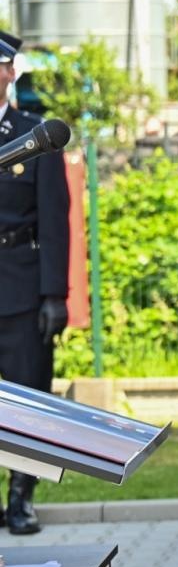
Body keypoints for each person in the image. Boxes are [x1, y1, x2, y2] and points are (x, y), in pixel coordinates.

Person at [0, 31, 68, 536]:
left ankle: (21, 496)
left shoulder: (33, 134)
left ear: (10, 74)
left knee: (29, 398)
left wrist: (54, 295)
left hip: (21, 283)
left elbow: (54, 219)